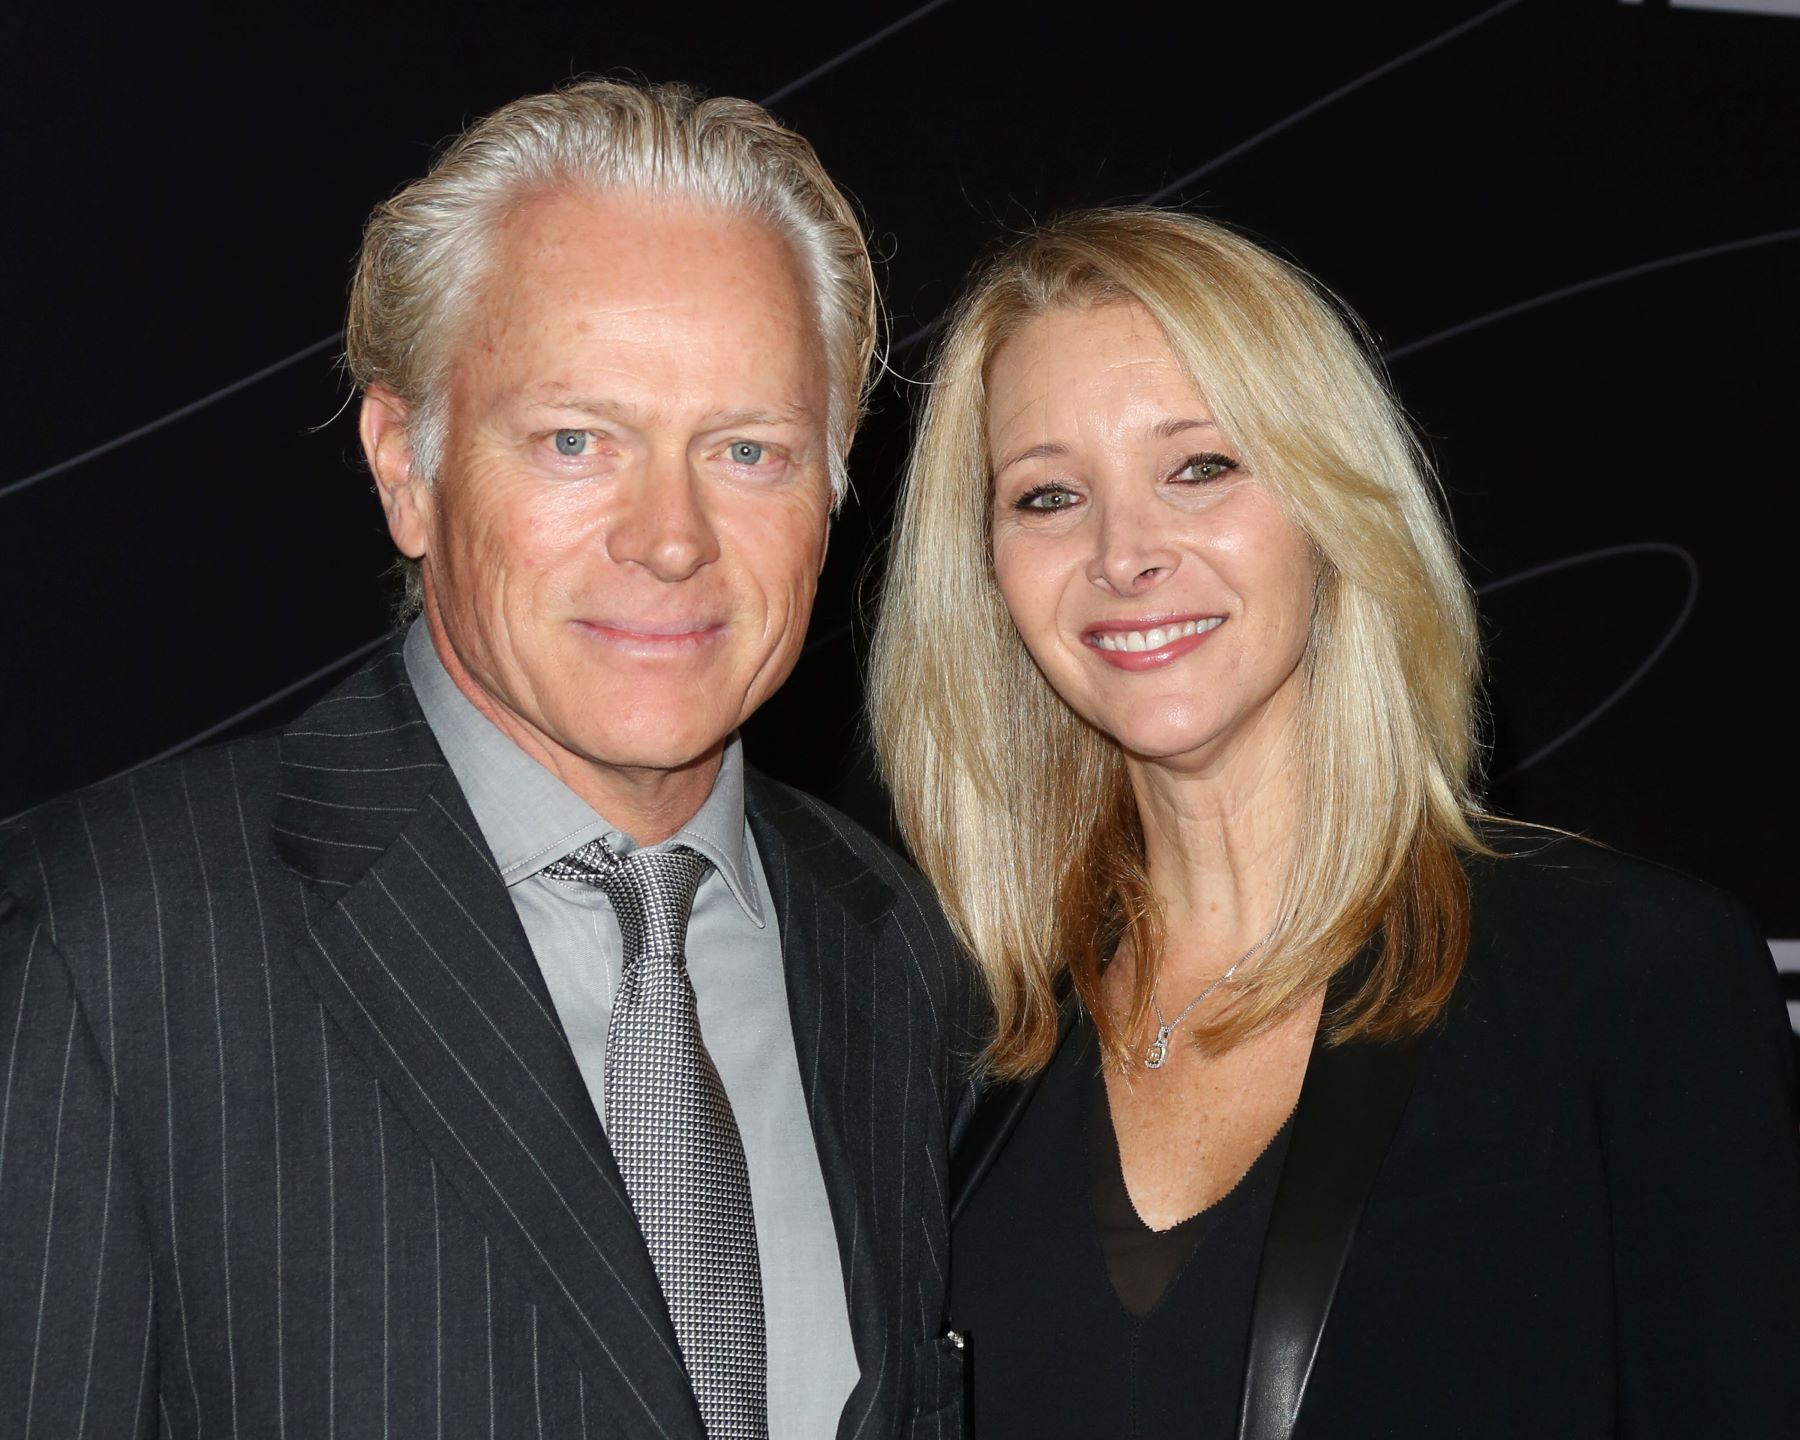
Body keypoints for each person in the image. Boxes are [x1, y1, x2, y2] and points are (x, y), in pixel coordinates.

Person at [0, 80, 976, 1440]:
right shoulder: (104, 945)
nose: (672, 537)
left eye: (747, 450)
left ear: (832, 485)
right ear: (406, 466)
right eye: (578, 440)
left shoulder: (901, 955)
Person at [869, 207, 1800, 1438]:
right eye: (1047, 495)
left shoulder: (1627, 981)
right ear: (986, 572)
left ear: (1327, 506)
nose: (1124, 552)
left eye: (1200, 466)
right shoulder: (956, 1039)